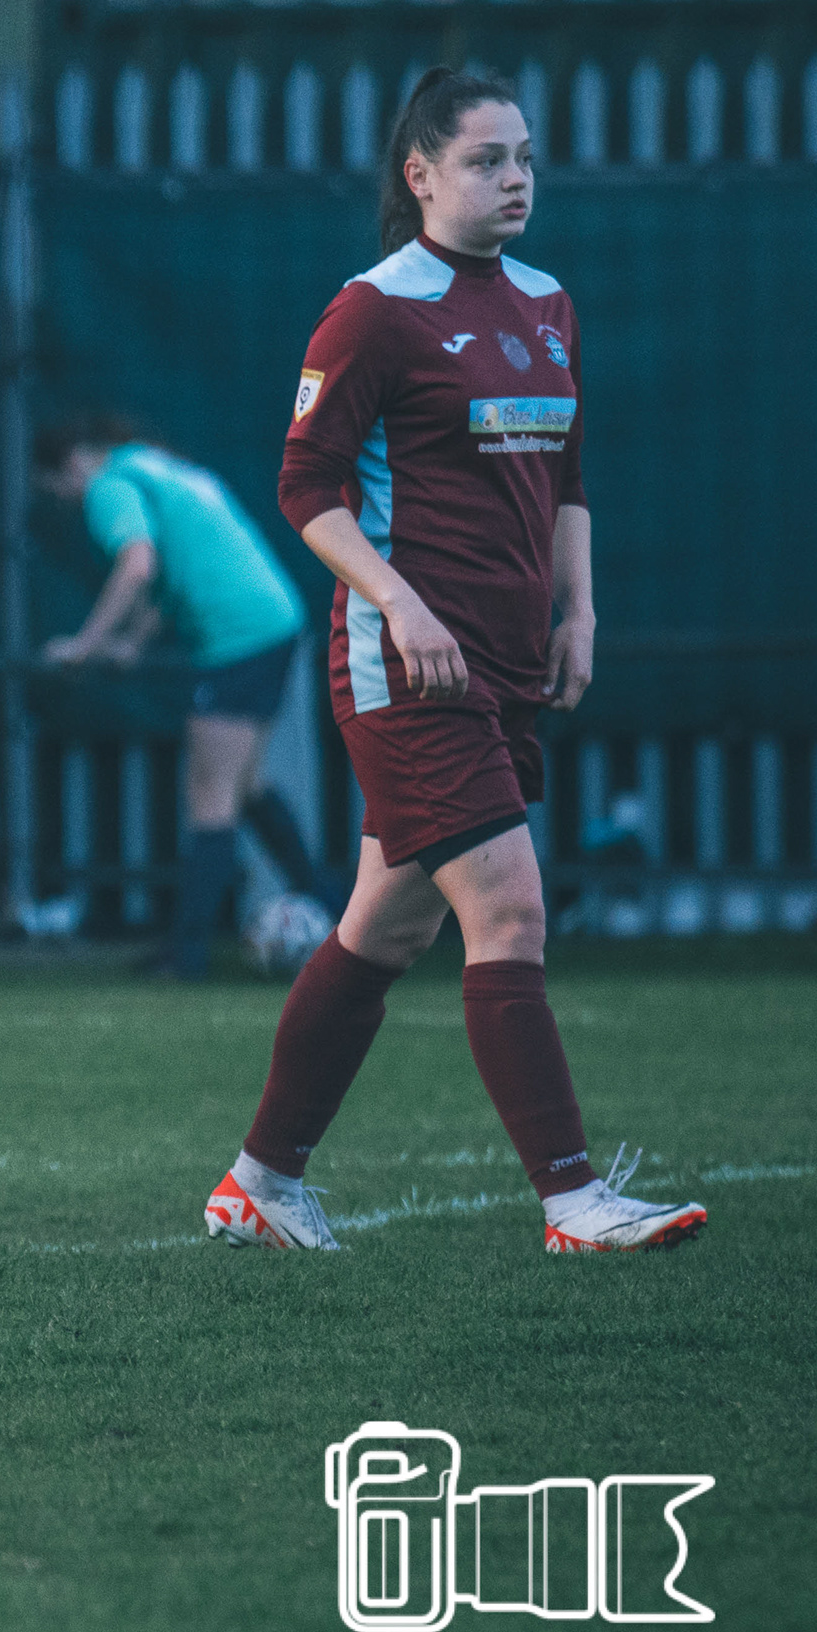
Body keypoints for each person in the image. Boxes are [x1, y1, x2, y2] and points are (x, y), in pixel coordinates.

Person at [204, 67, 708, 1257]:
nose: (515, 178)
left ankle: (258, 1184)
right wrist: (398, 603)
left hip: (507, 665)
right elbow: (305, 487)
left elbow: (566, 475)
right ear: (420, 174)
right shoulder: (373, 310)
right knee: (510, 907)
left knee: (383, 931)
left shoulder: (547, 302)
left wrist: (580, 612)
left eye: (524, 156)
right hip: (407, 673)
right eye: (486, 159)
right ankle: (574, 1201)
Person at [35, 413, 333, 976]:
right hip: (274, 620)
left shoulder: (108, 485)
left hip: (238, 636)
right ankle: (335, 913)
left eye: (54, 490)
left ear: (70, 464)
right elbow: (177, 570)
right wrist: (132, 642)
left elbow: (138, 566)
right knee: (246, 785)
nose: (63, 502)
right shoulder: (157, 467)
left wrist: (84, 646)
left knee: (210, 795)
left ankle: (187, 954)